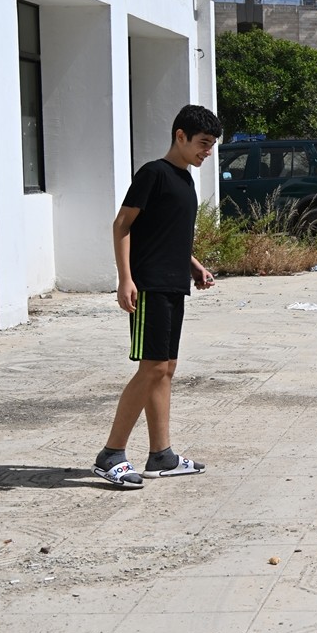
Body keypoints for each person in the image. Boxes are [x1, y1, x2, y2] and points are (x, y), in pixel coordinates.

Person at [92, 105, 223, 488]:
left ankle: (161, 455)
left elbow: (167, 234)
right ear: (179, 136)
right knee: (151, 368)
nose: (207, 152)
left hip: (172, 284)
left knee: (166, 368)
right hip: (148, 284)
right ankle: (111, 454)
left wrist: (193, 265)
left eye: (212, 146)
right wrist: (125, 279)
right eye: (202, 143)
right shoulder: (153, 173)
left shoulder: (185, 179)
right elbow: (122, 224)